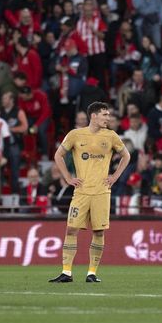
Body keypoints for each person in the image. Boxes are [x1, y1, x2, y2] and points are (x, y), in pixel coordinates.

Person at [48, 102, 131, 283]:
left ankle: (92, 273)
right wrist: (68, 178)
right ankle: (66, 272)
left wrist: (115, 176)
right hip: (81, 192)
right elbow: (58, 155)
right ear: (93, 116)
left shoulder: (111, 136)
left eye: (108, 115)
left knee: (99, 232)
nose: (108, 118)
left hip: (102, 192)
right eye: (105, 114)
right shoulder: (75, 135)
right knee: (71, 229)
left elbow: (126, 156)